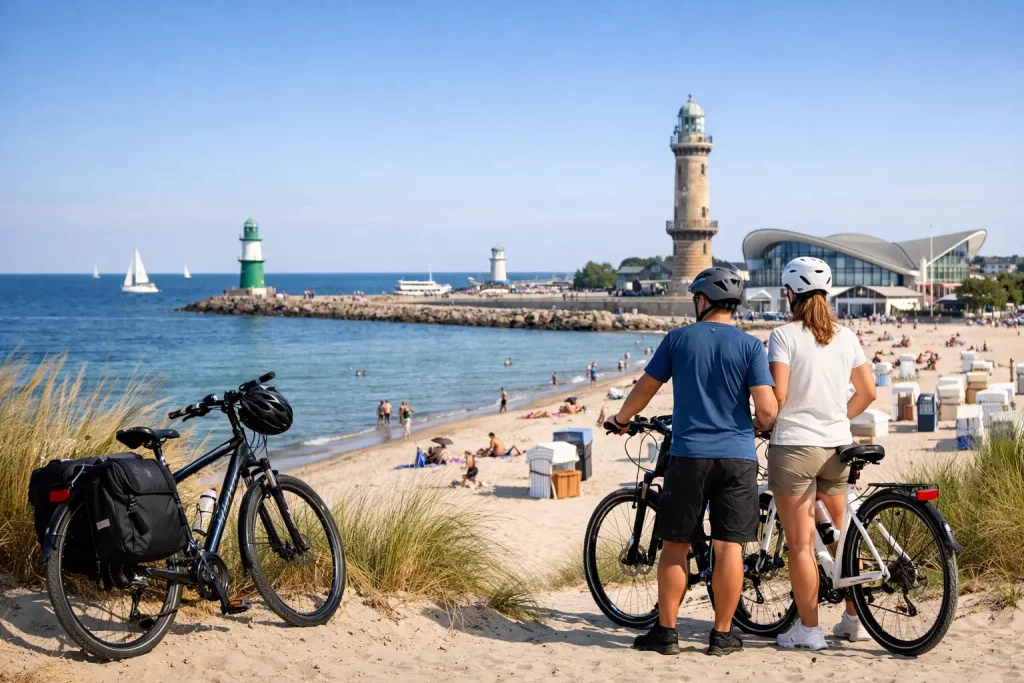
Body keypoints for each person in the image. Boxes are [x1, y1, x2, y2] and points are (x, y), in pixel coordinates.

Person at [609, 267, 778, 657]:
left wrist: (621, 420)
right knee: (729, 548)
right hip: (737, 458)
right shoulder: (750, 346)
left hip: (689, 456)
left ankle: (667, 633)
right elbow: (768, 410)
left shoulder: (677, 339)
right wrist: (758, 424)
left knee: (675, 545)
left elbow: (645, 389)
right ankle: (722, 635)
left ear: (702, 301)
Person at [767, 257, 876, 651]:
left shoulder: (783, 335)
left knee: (799, 545)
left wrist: (763, 419)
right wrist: (837, 418)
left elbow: (778, 396)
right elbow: (868, 392)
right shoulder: (846, 337)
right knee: (841, 540)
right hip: (837, 447)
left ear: (790, 293)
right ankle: (853, 620)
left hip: (795, 446)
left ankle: (810, 630)